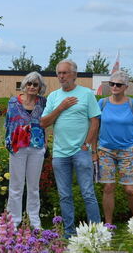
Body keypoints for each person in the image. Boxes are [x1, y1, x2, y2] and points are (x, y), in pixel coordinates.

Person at [40, 59, 101, 237]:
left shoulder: (86, 94)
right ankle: (69, 232)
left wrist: (87, 145)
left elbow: (95, 121)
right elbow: (43, 123)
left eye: (65, 73)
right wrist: (61, 107)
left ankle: (95, 231)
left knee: (88, 193)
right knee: (64, 195)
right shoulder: (53, 97)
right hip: (60, 153)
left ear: (74, 74)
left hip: (81, 151)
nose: (61, 76)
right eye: (58, 73)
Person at [98, 71, 133, 223]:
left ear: (125, 87)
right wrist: (93, 148)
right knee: (108, 187)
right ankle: (108, 225)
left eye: (118, 84)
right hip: (105, 151)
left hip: (127, 151)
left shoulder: (132, 104)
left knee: (129, 189)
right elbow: (94, 125)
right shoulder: (102, 103)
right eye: (112, 84)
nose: (114, 87)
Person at [4, 71, 47, 229]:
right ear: (24, 85)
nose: (32, 87)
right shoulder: (13, 102)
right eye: (29, 83)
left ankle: (35, 222)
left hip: (37, 147)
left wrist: (45, 146)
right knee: (16, 186)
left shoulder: (43, 102)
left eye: (35, 84)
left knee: (34, 187)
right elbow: (8, 124)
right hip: (18, 147)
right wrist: (8, 143)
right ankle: (13, 222)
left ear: (40, 87)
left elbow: (45, 124)